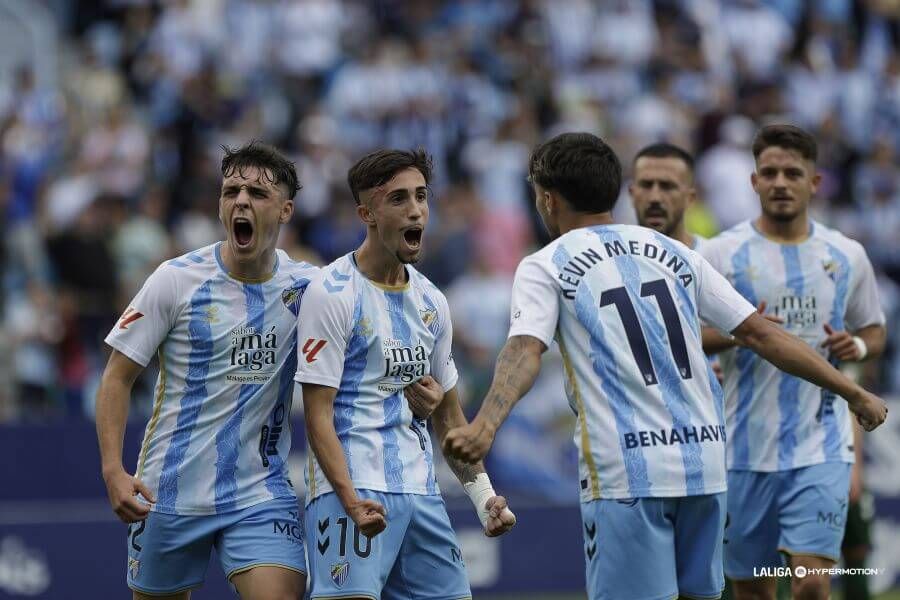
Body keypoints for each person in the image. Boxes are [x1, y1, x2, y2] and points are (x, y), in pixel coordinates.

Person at [442, 132, 888, 600]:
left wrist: (485, 425)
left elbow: (524, 349)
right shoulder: (675, 252)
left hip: (627, 472)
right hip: (705, 465)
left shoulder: (546, 264)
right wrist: (853, 391)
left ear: (548, 200)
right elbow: (762, 334)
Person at [96, 142, 318, 600]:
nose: (241, 201)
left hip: (260, 492)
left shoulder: (309, 289)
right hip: (168, 492)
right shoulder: (175, 279)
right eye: (231, 191)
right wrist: (113, 470)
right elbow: (117, 377)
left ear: (285, 210)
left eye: (258, 193)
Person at [296, 148, 516, 600]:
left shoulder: (432, 301)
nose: (415, 209)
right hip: (354, 490)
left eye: (421, 196)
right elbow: (317, 416)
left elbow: (450, 419)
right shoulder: (332, 292)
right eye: (398, 199)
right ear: (367, 214)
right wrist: (349, 499)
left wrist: (484, 499)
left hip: (422, 493)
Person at [698, 124, 888, 600]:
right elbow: (687, 337)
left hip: (821, 445)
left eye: (792, 173)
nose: (780, 183)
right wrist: (743, 333)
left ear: (815, 182)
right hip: (743, 449)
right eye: (770, 173)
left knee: (811, 584)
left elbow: (875, 330)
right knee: (754, 591)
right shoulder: (719, 254)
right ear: (754, 181)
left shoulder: (846, 255)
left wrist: (858, 346)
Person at [630, 142, 708, 252]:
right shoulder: (611, 257)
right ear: (632, 194)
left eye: (667, 186)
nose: (655, 198)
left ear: (690, 198)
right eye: (646, 185)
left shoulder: (711, 259)